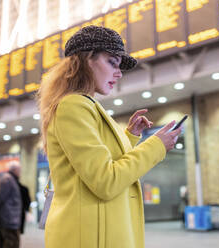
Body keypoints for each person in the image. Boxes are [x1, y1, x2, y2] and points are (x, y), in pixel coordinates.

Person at [37, 25, 181, 248]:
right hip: (90, 237)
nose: (119, 72)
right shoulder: (74, 106)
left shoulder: (85, 105)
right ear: (86, 60)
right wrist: (156, 146)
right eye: (112, 62)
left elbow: (100, 163)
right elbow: (105, 181)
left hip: (94, 233)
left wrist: (130, 137)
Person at [0, 161, 22, 248]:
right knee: (11, 243)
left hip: (8, 219)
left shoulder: (10, 179)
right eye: (19, 170)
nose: (20, 172)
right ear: (15, 170)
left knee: (1, 243)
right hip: (8, 220)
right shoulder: (7, 180)